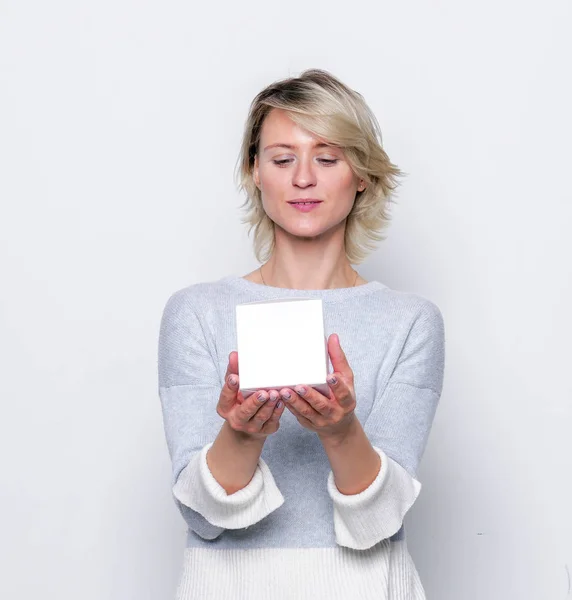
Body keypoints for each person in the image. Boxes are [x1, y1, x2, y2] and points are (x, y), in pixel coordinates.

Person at [157, 68, 445, 599]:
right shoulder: (197, 312)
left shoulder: (411, 321)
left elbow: (380, 520)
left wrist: (339, 431)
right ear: (255, 173)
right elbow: (202, 516)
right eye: (283, 158)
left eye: (328, 158)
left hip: (368, 585)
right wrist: (242, 434)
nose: (304, 178)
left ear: (361, 174)